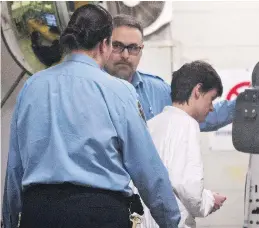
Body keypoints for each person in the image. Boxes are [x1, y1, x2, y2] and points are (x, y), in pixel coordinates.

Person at [2, 4, 180, 228]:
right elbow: (147, 167)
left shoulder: (32, 87)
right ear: (105, 44)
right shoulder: (119, 91)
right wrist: (170, 220)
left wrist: (8, 220)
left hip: (39, 213)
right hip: (98, 214)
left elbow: (15, 167)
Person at [105, 14, 236, 131]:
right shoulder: (88, 89)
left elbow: (200, 112)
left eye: (133, 48)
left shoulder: (158, 91)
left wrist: (246, 104)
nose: (125, 55)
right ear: (104, 46)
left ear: (141, 50)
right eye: (117, 46)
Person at [141, 61, 228, 228]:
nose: (211, 108)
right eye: (210, 99)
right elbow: (188, 187)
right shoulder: (187, 124)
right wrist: (209, 201)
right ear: (197, 91)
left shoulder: (152, 124)